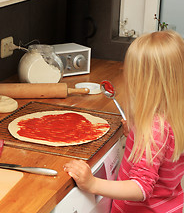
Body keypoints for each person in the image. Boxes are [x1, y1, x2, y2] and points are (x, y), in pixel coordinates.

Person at [64, 30, 184, 212]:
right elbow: (165, 156)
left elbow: (140, 187)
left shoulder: (155, 129)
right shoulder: (176, 116)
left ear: (147, 83)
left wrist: (92, 184)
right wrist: (137, 136)